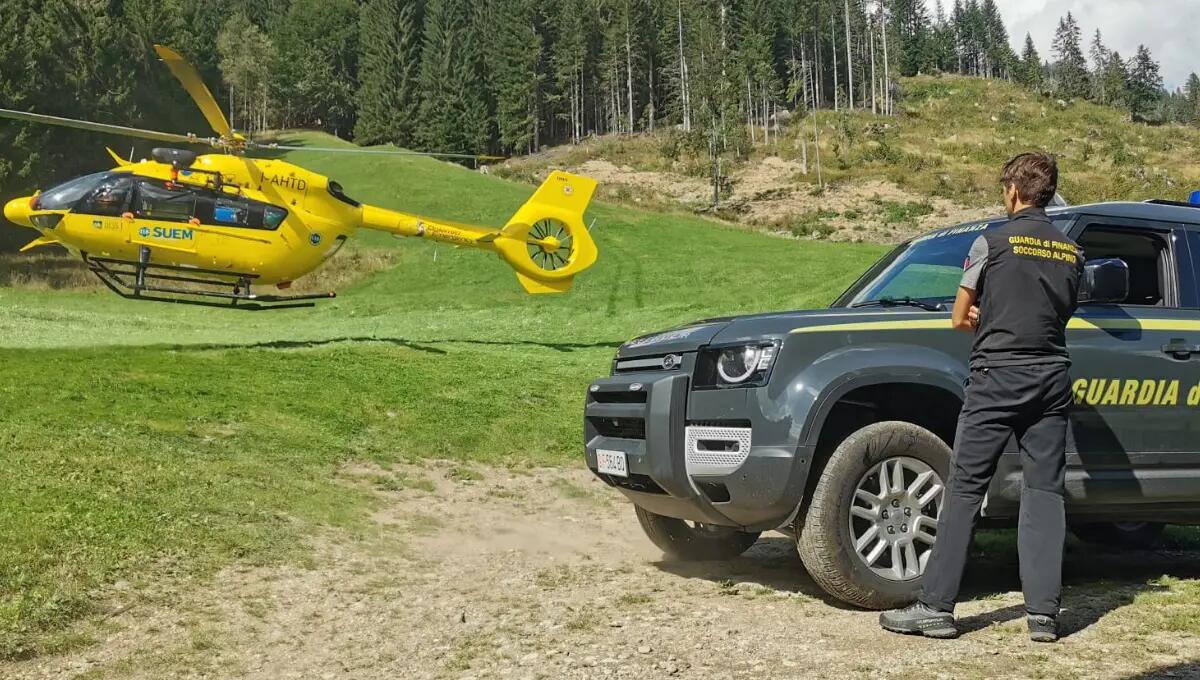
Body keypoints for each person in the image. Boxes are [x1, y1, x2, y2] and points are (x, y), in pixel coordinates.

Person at [879, 152, 1083, 643]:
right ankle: (1043, 615)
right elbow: (1056, 313)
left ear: (1013, 190)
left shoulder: (991, 242)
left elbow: (959, 316)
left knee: (966, 487)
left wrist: (986, 320)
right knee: (1044, 492)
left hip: (997, 377)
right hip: (1051, 378)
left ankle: (935, 606)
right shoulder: (1072, 252)